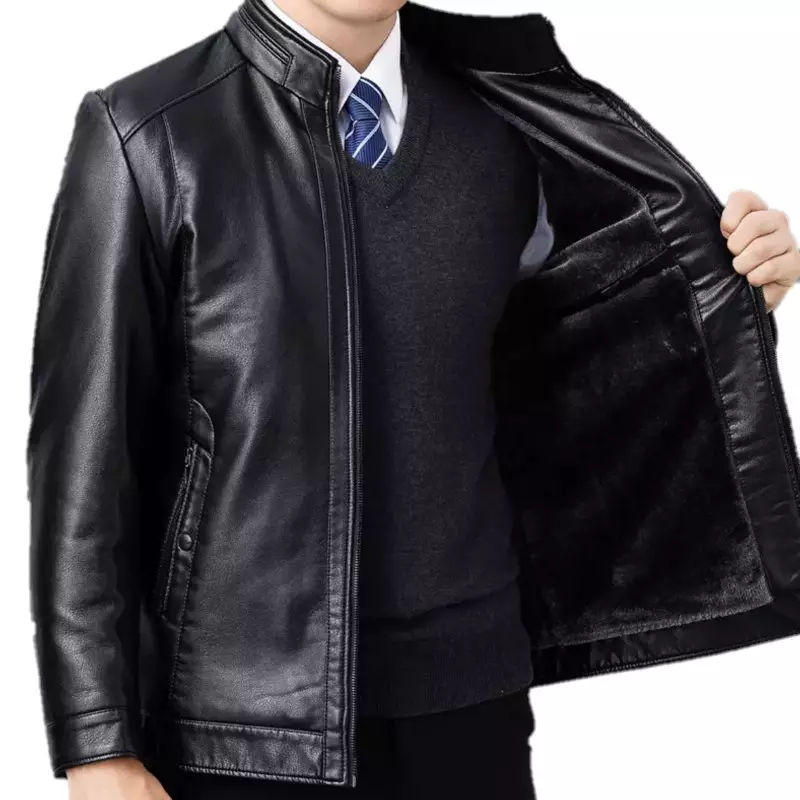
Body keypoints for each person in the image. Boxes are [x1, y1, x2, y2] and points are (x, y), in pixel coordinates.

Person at [27, 2, 800, 799]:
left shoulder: (508, 120)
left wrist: (724, 294)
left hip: (475, 707)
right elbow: (82, 470)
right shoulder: (148, 134)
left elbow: (572, 365)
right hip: (245, 731)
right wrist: (98, 747)